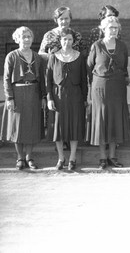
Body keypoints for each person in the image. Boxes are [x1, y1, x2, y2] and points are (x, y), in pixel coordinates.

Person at [87, 16, 130, 169]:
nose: (113, 30)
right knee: (102, 120)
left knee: (114, 119)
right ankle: (102, 157)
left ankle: (112, 156)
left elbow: (124, 66)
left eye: (116, 28)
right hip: (100, 87)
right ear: (103, 29)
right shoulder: (97, 46)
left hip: (117, 87)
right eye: (110, 27)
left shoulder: (122, 46)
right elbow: (89, 66)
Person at [1, 27, 46, 170]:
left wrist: (44, 96)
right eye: (23, 37)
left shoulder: (37, 57)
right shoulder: (12, 56)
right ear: (17, 39)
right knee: (18, 126)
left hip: (34, 93)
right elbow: (6, 79)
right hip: (17, 93)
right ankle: (20, 157)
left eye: (29, 36)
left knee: (31, 125)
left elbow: (42, 80)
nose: (26, 39)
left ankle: (29, 157)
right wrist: (9, 98)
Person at [46, 28, 88, 171]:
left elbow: (83, 79)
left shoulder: (79, 56)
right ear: (60, 41)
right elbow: (48, 80)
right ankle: (61, 157)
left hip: (75, 95)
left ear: (73, 41)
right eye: (64, 39)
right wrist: (49, 98)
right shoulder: (54, 56)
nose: (67, 42)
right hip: (58, 96)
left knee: (74, 125)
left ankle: (72, 157)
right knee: (59, 127)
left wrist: (84, 98)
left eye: (70, 39)